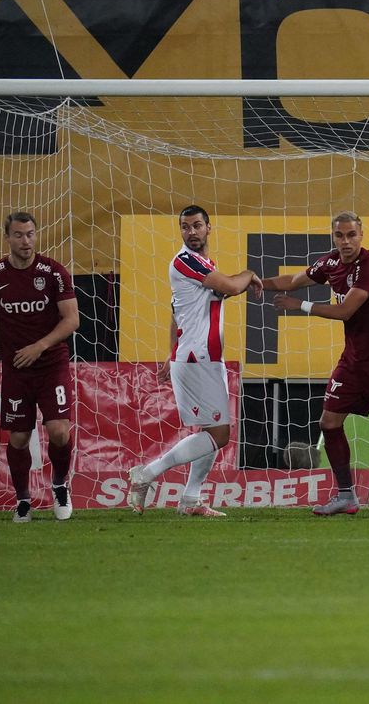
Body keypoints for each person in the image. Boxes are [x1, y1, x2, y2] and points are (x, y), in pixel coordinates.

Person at [264, 211, 369, 517]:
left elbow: (346, 311)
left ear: (361, 235)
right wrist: (256, 282)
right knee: (329, 423)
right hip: (353, 360)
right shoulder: (330, 262)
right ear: (333, 236)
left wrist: (300, 306)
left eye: (351, 235)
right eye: (339, 235)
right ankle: (346, 496)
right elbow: (294, 280)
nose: (345, 241)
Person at [128, 205, 263, 517]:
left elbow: (176, 314)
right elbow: (231, 286)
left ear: (208, 228)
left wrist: (168, 351)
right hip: (196, 357)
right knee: (219, 434)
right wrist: (250, 274)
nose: (191, 232)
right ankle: (145, 475)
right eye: (186, 227)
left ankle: (191, 499)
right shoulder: (185, 260)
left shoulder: (203, 263)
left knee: (211, 431)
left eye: (197, 225)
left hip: (199, 357)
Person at [0, 212, 80, 523]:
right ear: (6, 237)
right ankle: (23, 499)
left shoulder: (54, 272)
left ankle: (60, 485)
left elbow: (72, 319)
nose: (26, 241)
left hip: (51, 365)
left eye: (31, 234)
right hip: (16, 369)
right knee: (19, 438)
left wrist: (40, 346)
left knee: (59, 431)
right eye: (19, 235)